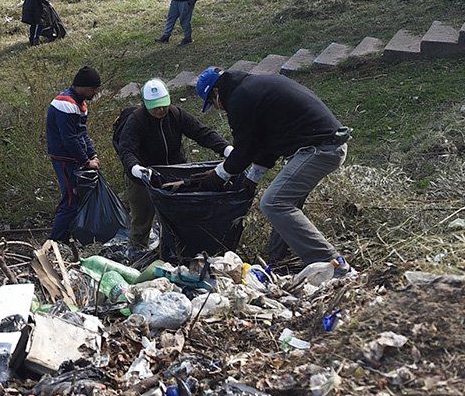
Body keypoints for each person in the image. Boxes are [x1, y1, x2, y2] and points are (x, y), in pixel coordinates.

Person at [194, 66, 354, 274]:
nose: (219, 109)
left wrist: (219, 174)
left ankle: (334, 266)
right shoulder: (253, 88)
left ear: (216, 93)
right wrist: (252, 178)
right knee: (286, 200)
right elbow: (265, 142)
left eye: (213, 104)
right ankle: (279, 260)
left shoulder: (240, 99)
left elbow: (245, 149)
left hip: (320, 149)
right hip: (322, 145)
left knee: (273, 202)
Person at [114, 78, 232, 252]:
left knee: (178, 215)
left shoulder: (176, 115)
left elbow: (201, 133)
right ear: (146, 105)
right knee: (142, 218)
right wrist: (136, 169)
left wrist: (226, 148)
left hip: (174, 173)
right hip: (143, 175)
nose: (160, 110)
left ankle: (177, 251)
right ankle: (137, 251)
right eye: (155, 107)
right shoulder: (136, 121)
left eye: (163, 105)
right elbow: (127, 150)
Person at [46, 66, 102, 253]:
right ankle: (55, 242)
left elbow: (82, 133)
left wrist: (92, 153)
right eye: (93, 88)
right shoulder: (66, 104)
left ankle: (65, 236)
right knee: (71, 199)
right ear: (84, 87)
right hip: (64, 159)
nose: (95, 92)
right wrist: (86, 161)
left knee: (74, 199)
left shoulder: (80, 104)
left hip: (73, 158)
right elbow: (69, 138)